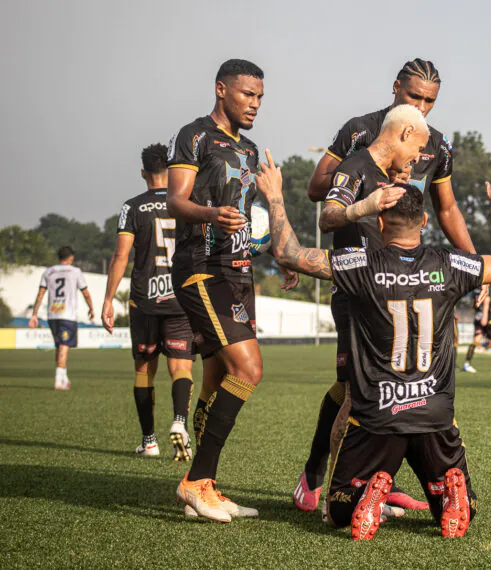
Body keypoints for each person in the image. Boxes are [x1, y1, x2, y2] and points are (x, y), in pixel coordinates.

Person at [257, 152, 491, 540]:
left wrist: (275, 195)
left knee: (337, 510)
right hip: (434, 415)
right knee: (460, 506)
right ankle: (448, 488)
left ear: (380, 222)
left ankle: (369, 491)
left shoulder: (361, 263)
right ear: (426, 222)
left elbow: (290, 255)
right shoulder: (451, 263)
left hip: (377, 417)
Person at [297, 60, 483, 513]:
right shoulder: (362, 131)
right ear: (396, 88)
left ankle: (379, 479)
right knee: (353, 386)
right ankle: (319, 480)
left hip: (411, 275)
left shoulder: (435, 144)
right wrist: (368, 185)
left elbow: (448, 208)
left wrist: (474, 266)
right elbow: (318, 187)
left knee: (418, 382)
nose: (421, 107)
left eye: (429, 101)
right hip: (360, 275)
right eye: (414, 96)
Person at [293, 105, 434, 513]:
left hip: (384, 299)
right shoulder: (355, 166)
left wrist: (398, 189)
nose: (417, 158)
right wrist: (366, 206)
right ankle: (334, 494)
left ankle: (370, 483)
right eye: (418, 148)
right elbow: (328, 217)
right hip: (355, 299)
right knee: (358, 396)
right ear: (405, 133)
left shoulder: (389, 175)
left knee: (382, 393)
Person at [166, 59, 268, 522]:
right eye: (248, 94)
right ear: (221, 89)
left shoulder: (249, 149)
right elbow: (176, 201)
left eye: (260, 97)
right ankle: (193, 481)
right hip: (202, 268)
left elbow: (247, 211)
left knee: (216, 377)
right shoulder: (194, 135)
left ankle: (205, 484)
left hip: (239, 271)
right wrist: (211, 216)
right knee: (249, 368)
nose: (255, 104)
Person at [101, 143, 197, 460]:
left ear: (143, 173)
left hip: (144, 300)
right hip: (181, 298)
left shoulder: (132, 207)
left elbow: (120, 256)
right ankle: (180, 422)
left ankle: (150, 441)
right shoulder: (187, 203)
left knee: (144, 369)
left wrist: (108, 300)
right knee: (181, 366)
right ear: (170, 171)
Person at [28, 246, 94, 390]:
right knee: (64, 345)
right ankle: (59, 379)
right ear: (71, 258)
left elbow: (40, 294)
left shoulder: (48, 272)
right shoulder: (75, 272)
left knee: (59, 345)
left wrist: (34, 314)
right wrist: (91, 308)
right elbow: (86, 293)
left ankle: (63, 377)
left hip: (52, 315)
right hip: (67, 315)